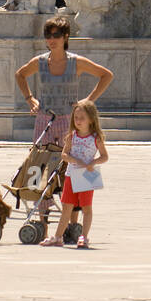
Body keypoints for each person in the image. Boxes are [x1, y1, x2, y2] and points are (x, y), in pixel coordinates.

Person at [13, 16, 114, 149]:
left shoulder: (76, 62)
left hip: (69, 120)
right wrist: (30, 99)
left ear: (65, 36)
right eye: (48, 36)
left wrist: (88, 101)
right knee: (39, 163)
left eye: (56, 35)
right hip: (44, 118)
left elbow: (107, 75)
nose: (52, 39)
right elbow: (20, 74)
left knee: (68, 164)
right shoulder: (40, 61)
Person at [41, 100, 108, 248]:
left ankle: (84, 236)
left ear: (91, 119)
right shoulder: (72, 136)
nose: (78, 121)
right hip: (71, 174)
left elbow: (105, 156)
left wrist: (93, 162)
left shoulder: (95, 138)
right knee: (67, 206)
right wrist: (72, 159)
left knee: (86, 207)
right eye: (76, 118)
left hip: (87, 175)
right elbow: (64, 154)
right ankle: (58, 236)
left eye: (82, 118)